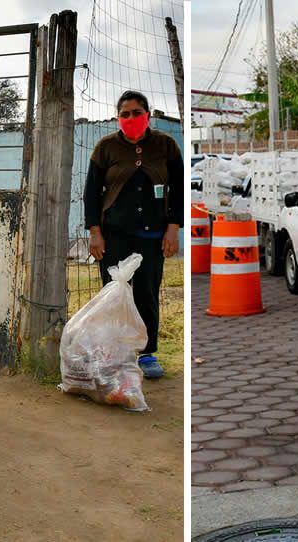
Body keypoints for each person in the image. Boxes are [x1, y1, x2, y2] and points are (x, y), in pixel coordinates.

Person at [83, 90, 183, 379]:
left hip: (153, 237)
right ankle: (114, 352)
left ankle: (147, 353)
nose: (130, 118)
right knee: (114, 295)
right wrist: (95, 233)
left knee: (147, 293)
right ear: (119, 118)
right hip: (114, 235)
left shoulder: (165, 145)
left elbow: (177, 191)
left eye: (136, 113)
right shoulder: (106, 148)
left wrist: (173, 229)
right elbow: (91, 194)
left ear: (147, 115)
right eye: (125, 114)